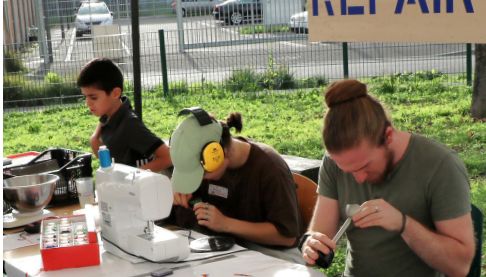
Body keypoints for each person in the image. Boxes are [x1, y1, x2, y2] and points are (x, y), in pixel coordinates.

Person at [300, 79, 475, 277]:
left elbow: (459, 266)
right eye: (347, 170)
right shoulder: (336, 161)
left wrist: (403, 224)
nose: (358, 179)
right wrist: (312, 244)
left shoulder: (440, 165)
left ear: (388, 136)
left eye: (365, 167)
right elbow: (321, 232)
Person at [169, 107, 306, 264]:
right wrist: (180, 187)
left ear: (220, 154)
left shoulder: (270, 168)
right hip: (229, 247)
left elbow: (287, 238)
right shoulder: (206, 161)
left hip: (274, 254)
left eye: (201, 175)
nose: (200, 180)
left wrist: (226, 224)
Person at [77, 57, 172, 172]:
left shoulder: (129, 124)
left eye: (93, 97)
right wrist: (94, 138)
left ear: (115, 93)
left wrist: (130, 178)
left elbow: (167, 158)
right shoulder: (108, 115)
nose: (87, 103)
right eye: (85, 97)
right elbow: (101, 154)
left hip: (136, 188)